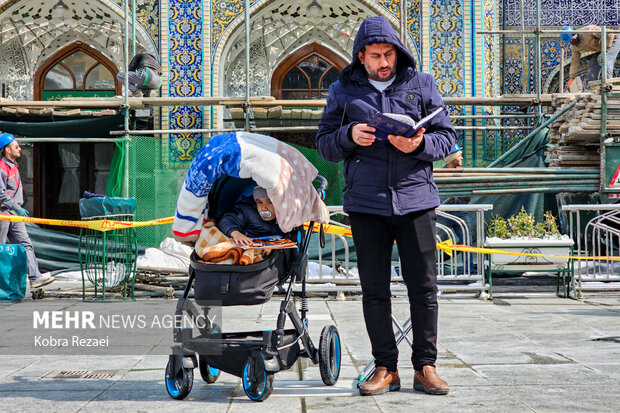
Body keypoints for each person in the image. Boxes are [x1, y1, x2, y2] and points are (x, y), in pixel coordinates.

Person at [316, 16, 456, 396]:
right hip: (367, 203)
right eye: (376, 55)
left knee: (423, 289)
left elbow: (447, 138)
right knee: (374, 288)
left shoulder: (421, 83)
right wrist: (349, 135)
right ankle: (385, 367)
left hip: (416, 199)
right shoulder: (343, 90)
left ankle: (425, 366)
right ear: (361, 56)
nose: (384, 62)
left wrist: (420, 146)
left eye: (389, 54)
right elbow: (325, 144)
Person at [0, 133, 54, 288]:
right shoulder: (1, 168)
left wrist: (17, 208)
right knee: (1, 248)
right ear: (7, 150)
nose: (20, 149)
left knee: (25, 244)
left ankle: (35, 277)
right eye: (16, 147)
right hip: (3, 214)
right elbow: (1, 194)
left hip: (14, 215)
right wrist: (17, 207)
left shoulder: (14, 166)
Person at [438, 144, 474, 274]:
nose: (462, 158)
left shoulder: (464, 173)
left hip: (460, 211)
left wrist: (464, 199)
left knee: (467, 242)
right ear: (451, 158)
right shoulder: (438, 174)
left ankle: (468, 272)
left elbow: (470, 191)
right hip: (444, 212)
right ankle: (431, 271)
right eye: (459, 155)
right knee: (435, 240)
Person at [217, 186, 283, 247]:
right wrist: (236, 234)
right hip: (248, 242)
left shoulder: (286, 215)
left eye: (270, 202)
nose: (264, 208)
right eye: (260, 202)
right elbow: (226, 220)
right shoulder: (246, 210)